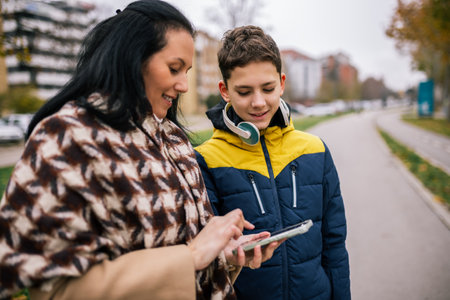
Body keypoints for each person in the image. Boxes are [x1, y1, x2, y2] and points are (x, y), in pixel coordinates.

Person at [0, 3, 281, 299]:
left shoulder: (175, 139)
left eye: (186, 71)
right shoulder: (67, 139)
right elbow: (54, 289)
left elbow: (194, 263)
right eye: (174, 69)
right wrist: (192, 255)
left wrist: (224, 253)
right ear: (132, 59)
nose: (184, 85)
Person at [195, 25, 351, 300]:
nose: (258, 102)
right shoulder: (205, 160)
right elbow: (208, 262)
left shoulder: (315, 150)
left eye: (267, 88)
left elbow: (335, 245)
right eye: (244, 91)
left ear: (281, 82)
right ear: (224, 90)